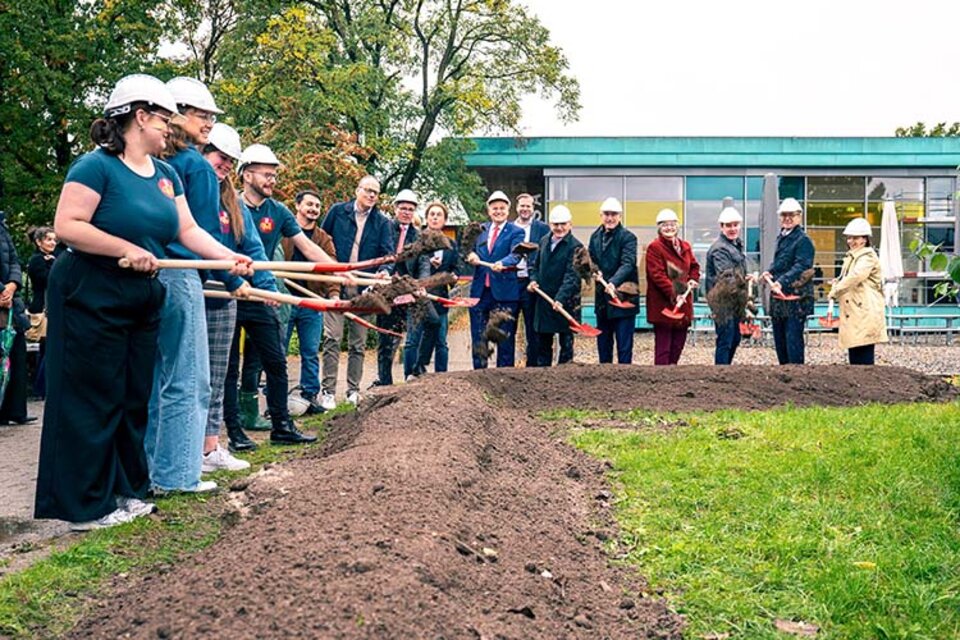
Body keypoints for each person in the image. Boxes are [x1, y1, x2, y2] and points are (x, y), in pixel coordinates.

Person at [34, 74, 251, 531]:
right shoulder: (96, 167)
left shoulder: (167, 175)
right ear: (139, 116)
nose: (170, 129)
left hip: (140, 292)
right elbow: (68, 225)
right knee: (93, 397)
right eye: (164, 120)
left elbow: (186, 232)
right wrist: (122, 248)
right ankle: (84, 506)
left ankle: (126, 491)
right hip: (90, 288)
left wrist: (229, 257)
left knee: (134, 397)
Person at [144, 76, 225, 494]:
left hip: (152, 272)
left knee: (160, 376)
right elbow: (203, 229)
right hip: (183, 272)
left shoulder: (154, 161)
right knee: (190, 378)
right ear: (176, 114)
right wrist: (228, 273)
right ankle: (178, 475)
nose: (209, 122)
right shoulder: (195, 166)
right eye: (202, 114)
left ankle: (155, 468)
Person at [224, 143, 335, 445]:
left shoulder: (279, 211)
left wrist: (340, 270)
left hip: (262, 294)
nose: (273, 180)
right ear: (246, 174)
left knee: (275, 361)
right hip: (230, 292)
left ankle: (281, 427)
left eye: (274, 175)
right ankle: (234, 432)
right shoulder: (228, 204)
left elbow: (309, 247)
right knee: (230, 365)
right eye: (267, 174)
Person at [199, 123, 274, 467]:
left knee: (217, 374)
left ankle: (210, 447)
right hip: (199, 290)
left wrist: (266, 287)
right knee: (194, 376)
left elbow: (253, 249)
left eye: (230, 160)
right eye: (220, 157)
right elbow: (199, 243)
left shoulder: (232, 201)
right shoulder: (194, 191)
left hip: (223, 298)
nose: (225, 164)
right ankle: (187, 448)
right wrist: (230, 277)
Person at [319, 175, 395, 406]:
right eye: (368, 190)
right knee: (332, 338)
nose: (371, 195)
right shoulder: (337, 212)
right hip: (336, 285)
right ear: (357, 190)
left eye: (376, 192)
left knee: (358, 344)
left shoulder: (381, 223)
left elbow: (388, 255)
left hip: (364, 289)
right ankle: (328, 391)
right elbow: (321, 240)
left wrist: (383, 270)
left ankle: (353, 390)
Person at [281, 190, 338, 413]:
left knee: (310, 351)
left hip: (311, 301)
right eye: (309, 204)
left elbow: (331, 267)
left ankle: (310, 395)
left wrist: (333, 293)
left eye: (317, 206)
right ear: (298, 206)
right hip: (285, 298)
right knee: (279, 349)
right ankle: (277, 396)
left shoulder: (323, 238)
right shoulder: (283, 231)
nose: (314, 209)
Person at [467, 191, 524, 369]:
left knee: (505, 338)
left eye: (502, 208)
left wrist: (503, 262)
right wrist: (471, 254)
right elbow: (467, 250)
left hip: (505, 293)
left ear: (508, 210)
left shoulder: (517, 231)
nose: (498, 211)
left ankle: (504, 377)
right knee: (478, 336)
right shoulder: (480, 231)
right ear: (489, 210)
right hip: (480, 292)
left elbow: (517, 254)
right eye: (494, 208)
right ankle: (479, 375)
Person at [371, 189, 421, 386]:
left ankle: (411, 378)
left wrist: (420, 284)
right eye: (403, 208)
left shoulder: (418, 236)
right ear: (395, 208)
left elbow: (423, 262)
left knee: (406, 337)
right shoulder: (384, 228)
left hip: (407, 292)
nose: (407, 212)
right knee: (385, 338)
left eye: (410, 209)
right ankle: (385, 381)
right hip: (386, 291)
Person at [527, 205, 582, 366]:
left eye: (563, 224)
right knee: (543, 345)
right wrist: (533, 280)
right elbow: (535, 267)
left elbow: (572, 277)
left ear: (570, 224)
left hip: (565, 303)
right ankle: (545, 379)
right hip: (544, 301)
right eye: (555, 224)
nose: (559, 228)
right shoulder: (544, 241)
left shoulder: (575, 247)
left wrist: (560, 298)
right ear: (550, 224)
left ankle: (564, 380)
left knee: (566, 345)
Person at [828, 218, 888, 364]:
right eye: (849, 237)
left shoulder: (867, 256)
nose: (851, 241)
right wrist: (838, 280)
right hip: (857, 313)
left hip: (864, 313)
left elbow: (856, 276)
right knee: (855, 355)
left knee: (863, 357)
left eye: (855, 237)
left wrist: (836, 290)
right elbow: (848, 276)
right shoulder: (853, 256)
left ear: (865, 239)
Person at [645, 208, 700, 365]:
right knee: (664, 347)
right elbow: (658, 275)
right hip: (664, 305)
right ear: (659, 228)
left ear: (677, 226)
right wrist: (675, 294)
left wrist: (693, 279)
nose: (669, 228)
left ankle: (672, 378)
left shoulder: (685, 246)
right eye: (664, 225)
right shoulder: (655, 248)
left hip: (683, 304)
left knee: (678, 345)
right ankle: (661, 379)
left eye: (672, 224)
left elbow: (694, 267)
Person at [764, 197, 815, 365]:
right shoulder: (782, 237)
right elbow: (781, 262)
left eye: (791, 215)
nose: (787, 218)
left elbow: (801, 266)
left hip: (796, 301)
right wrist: (770, 272)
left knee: (793, 343)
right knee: (780, 343)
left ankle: (797, 381)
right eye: (784, 215)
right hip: (780, 301)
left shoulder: (803, 240)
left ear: (799, 216)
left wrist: (782, 282)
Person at [588, 197, 639, 364]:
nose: (610, 218)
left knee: (624, 347)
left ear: (620, 216)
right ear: (601, 215)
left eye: (614, 214)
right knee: (604, 344)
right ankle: (605, 382)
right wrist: (593, 272)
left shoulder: (628, 237)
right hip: (603, 300)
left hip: (623, 297)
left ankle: (625, 381)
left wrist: (613, 283)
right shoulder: (595, 237)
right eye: (606, 214)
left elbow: (628, 263)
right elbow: (592, 261)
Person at [413, 201, 459, 375]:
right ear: (426, 218)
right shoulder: (418, 241)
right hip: (420, 298)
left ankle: (442, 376)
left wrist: (453, 277)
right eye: (432, 214)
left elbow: (456, 268)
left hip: (440, 298)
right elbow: (411, 267)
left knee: (441, 341)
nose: (435, 217)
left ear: (445, 220)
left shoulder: (451, 244)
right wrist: (428, 265)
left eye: (439, 215)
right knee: (416, 339)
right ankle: (415, 372)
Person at [705, 206, 753, 365]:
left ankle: (726, 371)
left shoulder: (734, 245)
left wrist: (745, 278)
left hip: (733, 302)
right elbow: (727, 277)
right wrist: (742, 282)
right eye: (728, 225)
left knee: (734, 338)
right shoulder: (720, 249)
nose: (733, 228)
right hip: (723, 302)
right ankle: (721, 373)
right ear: (722, 227)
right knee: (726, 339)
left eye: (735, 225)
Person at [0, 211, 33, 425]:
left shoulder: (2, 228)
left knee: (16, 355)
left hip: (10, 302)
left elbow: (14, 260)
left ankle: (15, 410)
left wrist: (11, 286)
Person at [513, 193, 550, 366]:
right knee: (508, 326)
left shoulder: (542, 229)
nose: (525, 209)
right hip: (512, 282)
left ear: (533, 209)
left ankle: (532, 366)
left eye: (528, 206)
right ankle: (507, 366)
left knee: (532, 328)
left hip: (531, 283)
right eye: (522, 206)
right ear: (517, 207)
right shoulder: (511, 228)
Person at [26, 226, 58, 399]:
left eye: (54, 239)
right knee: (47, 350)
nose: (53, 243)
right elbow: (48, 280)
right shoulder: (37, 261)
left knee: (48, 350)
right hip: (43, 311)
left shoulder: (52, 259)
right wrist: (53, 263)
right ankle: (42, 388)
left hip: (51, 310)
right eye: (49, 239)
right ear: (39, 242)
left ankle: (44, 388)